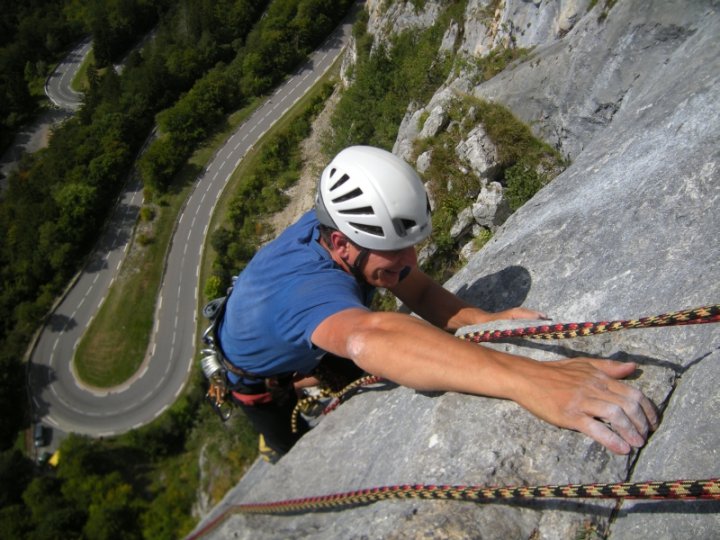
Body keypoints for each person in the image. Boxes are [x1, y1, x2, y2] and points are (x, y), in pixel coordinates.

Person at [216, 145, 658, 461]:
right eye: (395, 251)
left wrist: (484, 320)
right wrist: (532, 379)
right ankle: (278, 437)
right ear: (339, 243)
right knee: (287, 451)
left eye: (412, 247)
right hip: (258, 381)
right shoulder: (307, 293)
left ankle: (310, 381)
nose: (410, 263)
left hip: (299, 332)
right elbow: (369, 336)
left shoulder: (344, 234)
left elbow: (421, 292)